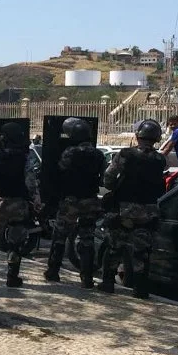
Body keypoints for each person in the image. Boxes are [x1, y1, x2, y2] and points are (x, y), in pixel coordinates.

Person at [99, 120, 166, 298]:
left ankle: (107, 284)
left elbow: (109, 176)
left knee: (115, 246)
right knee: (142, 251)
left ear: (138, 136)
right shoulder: (160, 159)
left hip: (124, 210)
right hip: (148, 212)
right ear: (156, 139)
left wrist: (113, 189)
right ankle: (141, 290)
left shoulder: (126, 154)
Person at [44, 118, 105, 288]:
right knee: (87, 238)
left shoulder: (70, 152)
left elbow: (60, 169)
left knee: (60, 235)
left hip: (70, 200)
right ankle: (86, 278)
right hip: (90, 200)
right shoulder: (98, 154)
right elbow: (103, 177)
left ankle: (53, 271)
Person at [0, 122, 40, 287]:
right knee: (16, 242)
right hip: (19, 203)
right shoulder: (25, 156)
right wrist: (36, 200)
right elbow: (30, 181)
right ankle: (12, 277)